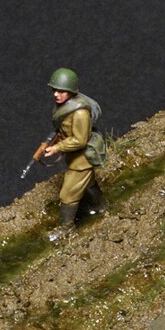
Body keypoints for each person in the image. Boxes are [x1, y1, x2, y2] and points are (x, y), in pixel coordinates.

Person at [43, 68, 107, 240]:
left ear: (70, 91)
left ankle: (67, 229)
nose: (56, 94)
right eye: (54, 90)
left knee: (67, 194)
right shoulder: (64, 107)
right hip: (75, 157)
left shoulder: (79, 113)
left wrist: (57, 148)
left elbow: (80, 140)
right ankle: (99, 206)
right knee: (89, 183)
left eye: (61, 91)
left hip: (82, 160)